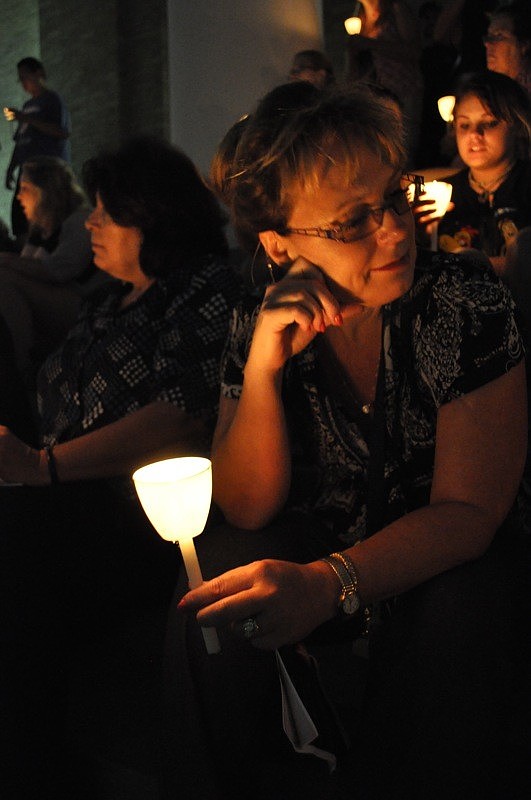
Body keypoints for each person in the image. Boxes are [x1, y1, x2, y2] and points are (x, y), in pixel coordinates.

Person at [179, 84, 530, 798]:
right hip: (333, 546)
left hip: (455, 567)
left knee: (459, 608)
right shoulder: (260, 319)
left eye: (394, 198)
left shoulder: (461, 302)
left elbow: (469, 516)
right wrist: (263, 369)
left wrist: (325, 584)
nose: (395, 232)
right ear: (278, 242)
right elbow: (246, 505)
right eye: (352, 222)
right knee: (216, 579)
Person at [0, 135, 241, 799]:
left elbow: (179, 415)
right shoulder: (111, 298)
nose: (90, 224)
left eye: (106, 212)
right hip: (60, 489)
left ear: (154, 217)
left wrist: (42, 467)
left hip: (133, 516)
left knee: (13, 547)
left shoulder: (201, 291)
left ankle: (34, 767)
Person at [417, 70, 531, 275]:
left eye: (489, 123)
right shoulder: (440, 194)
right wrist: (423, 238)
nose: (473, 134)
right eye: (464, 125)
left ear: (517, 126)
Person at [0, 155, 99, 383]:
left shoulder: (78, 222)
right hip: (54, 301)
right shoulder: (40, 230)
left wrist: (5, 259)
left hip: (82, 305)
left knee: (3, 279)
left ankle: (21, 363)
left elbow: (58, 271)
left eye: (25, 188)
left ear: (46, 190)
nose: (19, 196)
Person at [346, 0, 423, 164]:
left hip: (403, 92)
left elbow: (414, 51)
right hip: (376, 98)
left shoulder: (396, 9)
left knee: (404, 152)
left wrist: (369, 44)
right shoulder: (359, 18)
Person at [3, 57, 70, 241]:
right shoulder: (27, 106)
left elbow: (61, 132)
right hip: (26, 171)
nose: (23, 83)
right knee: (20, 219)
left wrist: (26, 119)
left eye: (26, 77)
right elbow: (21, 140)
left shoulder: (52, 100)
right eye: (21, 79)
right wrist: (11, 168)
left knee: (44, 219)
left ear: (39, 73)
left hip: (45, 171)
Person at [484, 1, 531, 98]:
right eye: (489, 37)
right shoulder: (493, 91)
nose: (487, 44)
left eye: (498, 36)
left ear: (523, 45)